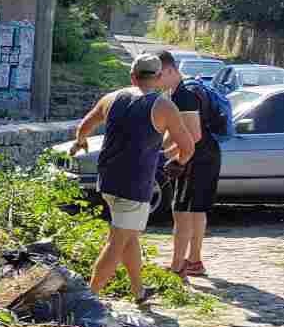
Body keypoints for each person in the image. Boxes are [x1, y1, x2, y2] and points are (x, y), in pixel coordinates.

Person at [70, 54, 196, 306]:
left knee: (129, 237)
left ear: (132, 76)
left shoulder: (111, 98)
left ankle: (139, 291)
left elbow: (85, 125)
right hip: (134, 185)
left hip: (107, 181)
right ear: (159, 77)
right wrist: (179, 163)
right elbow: (188, 146)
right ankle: (87, 300)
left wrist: (80, 141)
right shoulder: (163, 106)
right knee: (117, 243)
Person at [161, 50, 221, 278]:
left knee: (182, 212)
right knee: (195, 212)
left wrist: (177, 158)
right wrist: (163, 148)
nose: (156, 80)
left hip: (197, 158)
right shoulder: (182, 90)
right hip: (208, 155)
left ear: (169, 70)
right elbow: (177, 129)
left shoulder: (184, 95)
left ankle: (177, 267)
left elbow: (193, 135)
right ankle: (194, 261)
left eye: (158, 75)